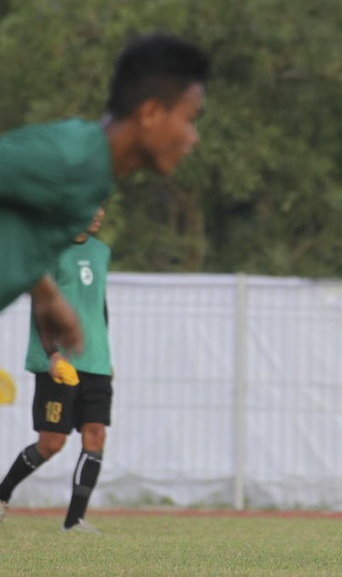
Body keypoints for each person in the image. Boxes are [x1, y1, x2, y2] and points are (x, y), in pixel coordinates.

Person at [0, 33, 210, 358]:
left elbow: (19, 229)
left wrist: (47, 296)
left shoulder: (96, 176)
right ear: (151, 113)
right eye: (190, 119)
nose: (193, 138)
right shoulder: (68, 157)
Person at [0, 208, 112, 532]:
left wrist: (106, 356)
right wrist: (52, 353)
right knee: (52, 443)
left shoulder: (102, 252)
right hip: (60, 363)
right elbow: (42, 305)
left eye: (102, 206)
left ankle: (74, 521)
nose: (98, 212)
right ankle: (3, 494)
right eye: (92, 204)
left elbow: (98, 304)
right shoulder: (49, 250)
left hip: (96, 363)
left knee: (95, 435)